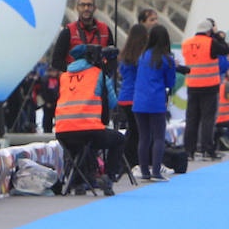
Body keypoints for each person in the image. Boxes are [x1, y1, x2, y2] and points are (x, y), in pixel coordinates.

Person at [53, 44, 124, 196]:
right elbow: (113, 103)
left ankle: (78, 182)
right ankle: (109, 177)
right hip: (89, 130)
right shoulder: (98, 74)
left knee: (79, 148)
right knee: (118, 139)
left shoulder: (64, 76)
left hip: (63, 132)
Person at [133, 25, 178, 180]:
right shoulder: (167, 60)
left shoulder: (142, 56)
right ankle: (156, 171)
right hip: (156, 102)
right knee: (158, 137)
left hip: (139, 102)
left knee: (144, 137)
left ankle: (144, 171)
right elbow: (170, 83)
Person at [182, 18, 229, 160]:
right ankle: (207, 150)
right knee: (207, 119)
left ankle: (189, 151)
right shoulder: (211, 42)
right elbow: (225, 50)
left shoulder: (186, 44)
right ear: (210, 31)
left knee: (192, 119)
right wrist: (216, 35)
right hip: (209, 85)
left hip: (192, 85)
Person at [51, 0, 113, 72]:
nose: (86, 8)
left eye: (89, 5)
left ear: (95, 8)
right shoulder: (68, 31)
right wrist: (74, 69)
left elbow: (112, 58)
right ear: (77, 8)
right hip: (75, 81)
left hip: (98, 81)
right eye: (83, 5)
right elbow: (56, 61)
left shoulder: (105, 30)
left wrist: (103, 71)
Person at [117, 23, 149, 168]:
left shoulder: (124, 55)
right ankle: (132, 161)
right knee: (139, 131)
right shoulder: (142, 56)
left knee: (132, 129)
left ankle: (125, 160)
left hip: (124, 96)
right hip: (137, 97)